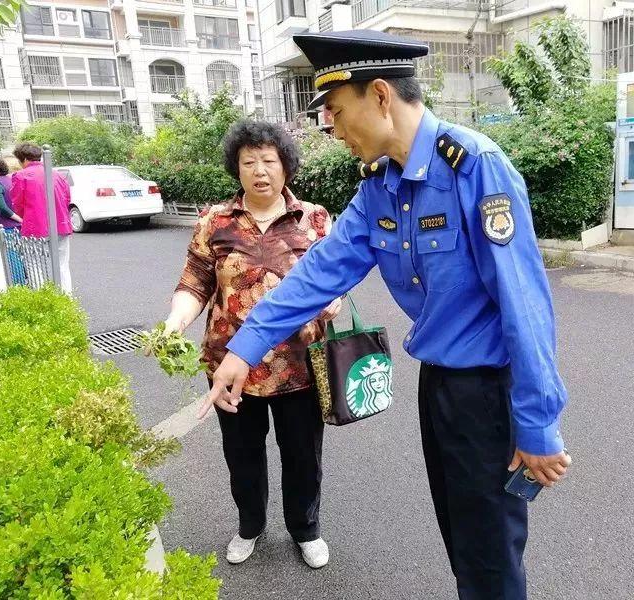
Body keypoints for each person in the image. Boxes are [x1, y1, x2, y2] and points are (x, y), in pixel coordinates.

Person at [203, 31, 572, 600]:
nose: (333, 128)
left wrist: (538, 423)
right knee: (462, 539)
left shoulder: (475, 167)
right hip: (440, 387)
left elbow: (524, 306)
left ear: (380, 96)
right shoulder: (382, 185)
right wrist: (244, 347)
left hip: (490, 394)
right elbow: (319, 273)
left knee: (490, 553)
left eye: (337, 111)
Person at [162, 120, 341, 569]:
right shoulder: (214, 222)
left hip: (299, 366)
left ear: (286, 166)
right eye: (249, 162)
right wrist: (173, 323)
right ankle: (250, 525)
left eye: (269, 160)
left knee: (303, 455)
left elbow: (336, 278)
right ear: (236, 169)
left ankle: (306, 528)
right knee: (241, 455)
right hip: (230, 365)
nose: (260, 171)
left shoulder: (314, 219)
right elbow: (195, 282)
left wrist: (336, 298)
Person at [10, 143, 73, 293]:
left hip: (34, 227)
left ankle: (41, 299)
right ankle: (66, 298)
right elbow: (67, 199)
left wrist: (25, 217)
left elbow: (17, 204)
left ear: (24, 159)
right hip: (61, 225)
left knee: (34, 264)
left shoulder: (21, 176)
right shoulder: (57, 174)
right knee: (62, 264)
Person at [0, 158, 26, 285]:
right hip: (17, 226)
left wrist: (19, 219)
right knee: (21, 254)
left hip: (7, 226)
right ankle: (26, 281)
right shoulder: (9, 180)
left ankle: (20, 286)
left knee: (13, 257)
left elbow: (2, 207)